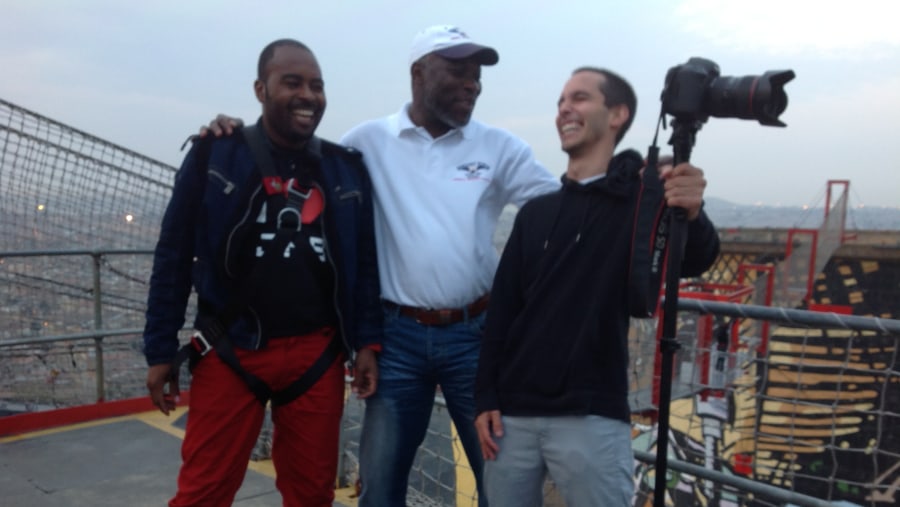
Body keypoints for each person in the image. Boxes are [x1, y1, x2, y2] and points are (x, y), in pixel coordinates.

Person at [204, 25, 560, 506]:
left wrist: (616, 183)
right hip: (395, 342)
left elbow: (560, 213)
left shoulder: (500, 148)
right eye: (457, 71)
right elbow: (290, 160)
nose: (472, 84)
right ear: (418, 73)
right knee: (380, 484)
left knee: (504, 482)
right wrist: (227, 136)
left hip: (476, 336)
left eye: (477, 76)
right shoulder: (365, 143)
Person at [143, 39, 382, 507]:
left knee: (311, 495)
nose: (308, 95)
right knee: (203, 493)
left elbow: (364, 263)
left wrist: (367, 342)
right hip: (231, 348)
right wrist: (158, 349)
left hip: (317, 351)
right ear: (260, 89)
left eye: (316, 85)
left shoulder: (345, 169)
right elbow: (173, 255)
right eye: (292, 82)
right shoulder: (216, 155)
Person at [473, 67, 721, 506]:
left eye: (580, 98)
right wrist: (485, 398)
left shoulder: (639, 205)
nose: (565, 109)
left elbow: (697, 257)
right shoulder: (535, 214)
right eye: (561, 101)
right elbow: (504, 311)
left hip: (591, 412)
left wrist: (691, 210)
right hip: (511, 416)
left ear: (617, 114)